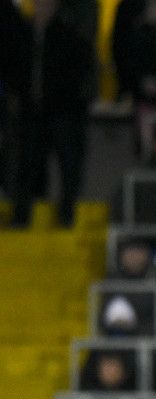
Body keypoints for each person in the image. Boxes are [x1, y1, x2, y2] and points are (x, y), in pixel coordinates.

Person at [8, 0, 95, 228]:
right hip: (30, 112)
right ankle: (21, 216)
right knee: (27, 164)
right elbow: (12, 69)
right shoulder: (21, 34)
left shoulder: (68, 35)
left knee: (68, 164)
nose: (43, 7)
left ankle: (66, 215)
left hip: (63, 111)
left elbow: (80, 71)